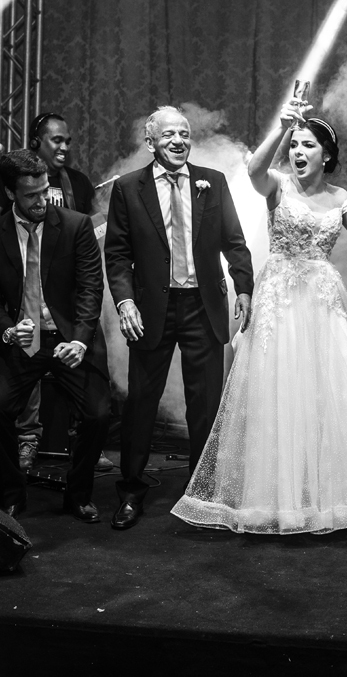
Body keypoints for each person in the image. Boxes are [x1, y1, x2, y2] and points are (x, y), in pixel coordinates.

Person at [170, 98, 347, 534]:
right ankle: (276, 500)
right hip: (280, 301)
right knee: (277, 394)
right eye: (294, 144)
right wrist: (282, 127)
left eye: (307, 145)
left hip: (323, 303)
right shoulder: (277, 185)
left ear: (326, 155)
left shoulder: (341, 198)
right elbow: (254, 168)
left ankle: (326, 497)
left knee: (328, 394)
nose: (298, 151)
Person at [104, 106, 254, 531]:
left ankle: (202, 492)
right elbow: (117, 254)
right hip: (151, 309)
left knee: (204, 405)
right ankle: (131, 490)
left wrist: (244, 287)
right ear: (150, 142)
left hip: (203, 306)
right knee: (140, 403)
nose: (179, 141)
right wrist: (125, 302)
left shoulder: (213, 182)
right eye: (169, 134)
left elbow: (235, 242)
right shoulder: (128, 188)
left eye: (184, 134)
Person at [0, 149, 111, 521]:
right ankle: (12, 493)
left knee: (98, 414)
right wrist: (7, 331)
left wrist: (80, 339)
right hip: (23, 340)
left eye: (44, 191)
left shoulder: (76, 225)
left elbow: (90, 289)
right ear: (10, 193)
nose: (41, 201)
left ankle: (78, 493)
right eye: (31, 195)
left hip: (70, 337)